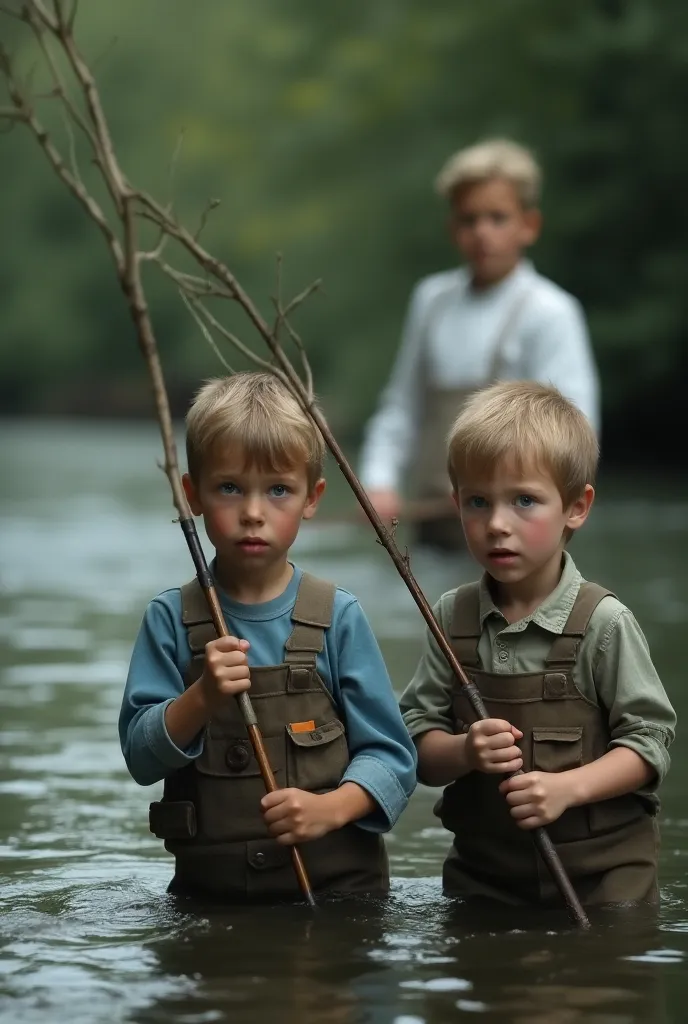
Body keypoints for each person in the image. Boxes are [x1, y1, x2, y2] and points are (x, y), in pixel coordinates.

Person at [119, 371, 417, 901]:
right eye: (229, 488)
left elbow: (392, 757)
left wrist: (332, 808)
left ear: (312, 497)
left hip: (337, 895)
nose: (253, 513)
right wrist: (200, 698)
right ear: (192, 494)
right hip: (209, 901)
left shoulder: (339, 618)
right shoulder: (169, 619)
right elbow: (141, 758)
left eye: (278, 490)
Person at [400, 381, 675, 907]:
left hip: (604, 883)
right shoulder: (449, 619)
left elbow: (650, 742)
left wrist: (567, 789)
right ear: (455, 504)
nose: (498, 524)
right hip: (482, 880)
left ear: (577, 507)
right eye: (479, 502)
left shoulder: (605, 624)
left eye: (524, 501)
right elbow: (416, 744)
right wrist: (463, 750)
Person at [359, 138, 600, 550]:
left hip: (519, 533)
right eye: (469, 220)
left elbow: (578, 434)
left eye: (497, 218)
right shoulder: (431, 301)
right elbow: (402, 407)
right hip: (436, 523)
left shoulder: (552, 311)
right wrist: (378, 482)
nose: (482, 233)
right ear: (453, 229)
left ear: (529, 225)